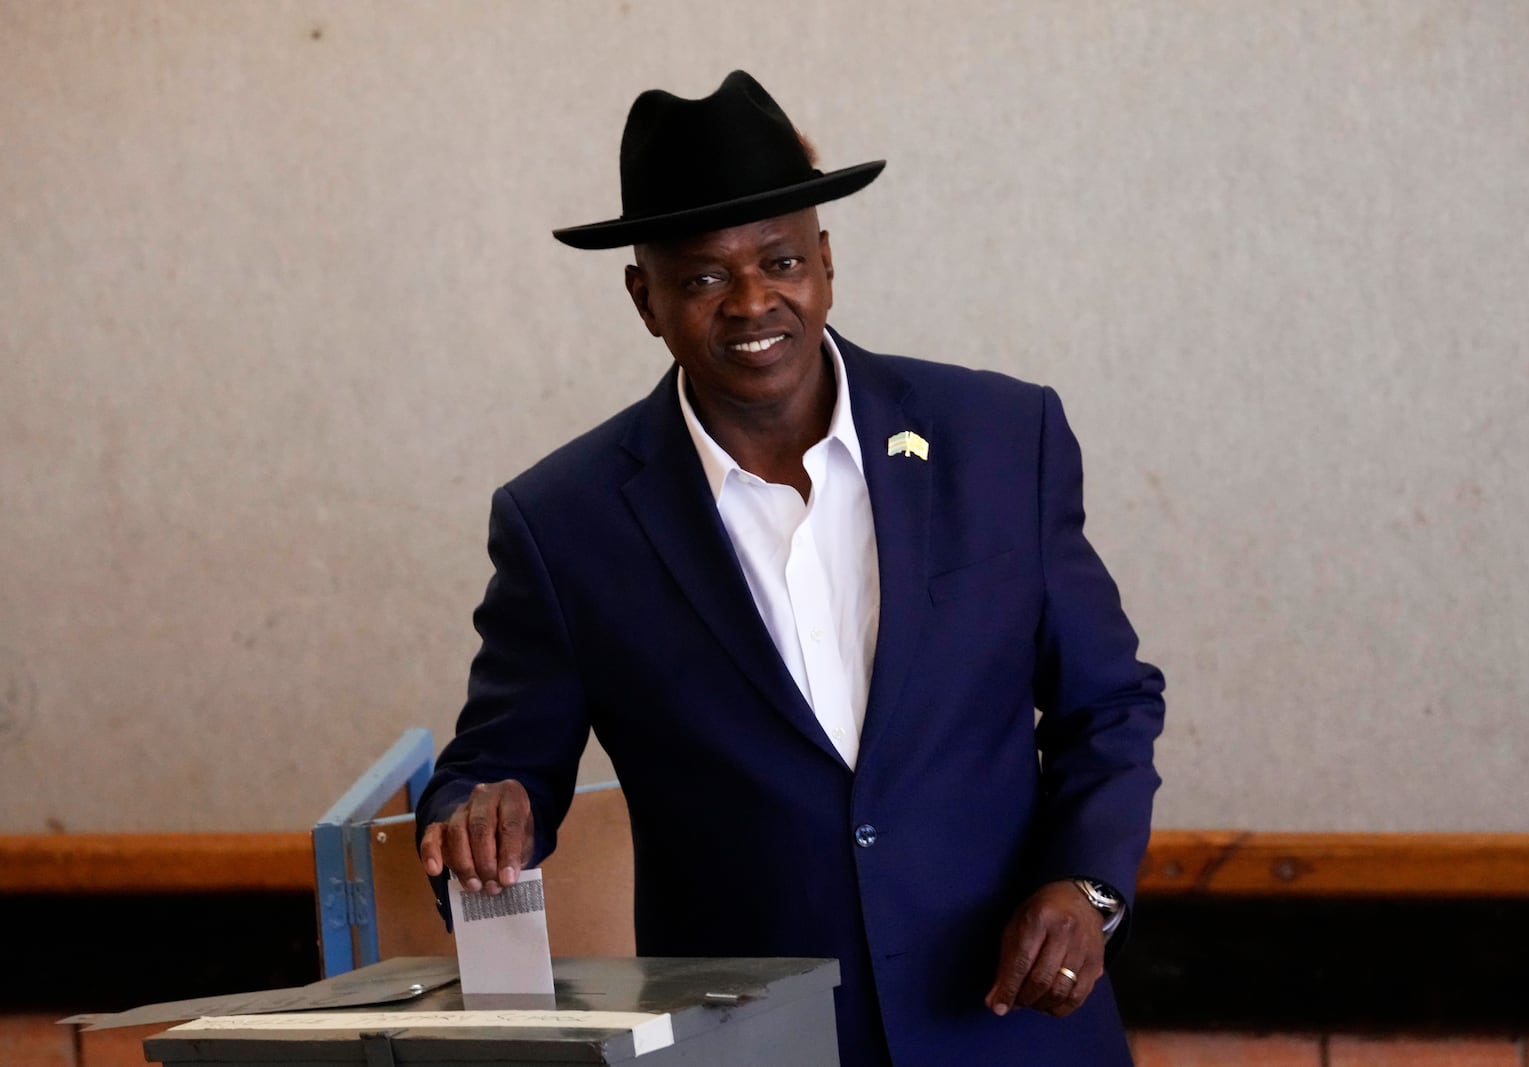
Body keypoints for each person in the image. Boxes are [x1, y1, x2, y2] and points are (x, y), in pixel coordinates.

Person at [416, 70, 1164, 1067]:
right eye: (702, 277)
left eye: (779, 260)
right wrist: (480, 811)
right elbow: (498, 762)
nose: (752, 300)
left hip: (1007, 1024)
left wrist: (1087, 886)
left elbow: (1107, 704)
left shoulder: (998, 440)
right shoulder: (565, 522)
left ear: (826, 262)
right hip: (751, 1039)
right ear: (644, 297)